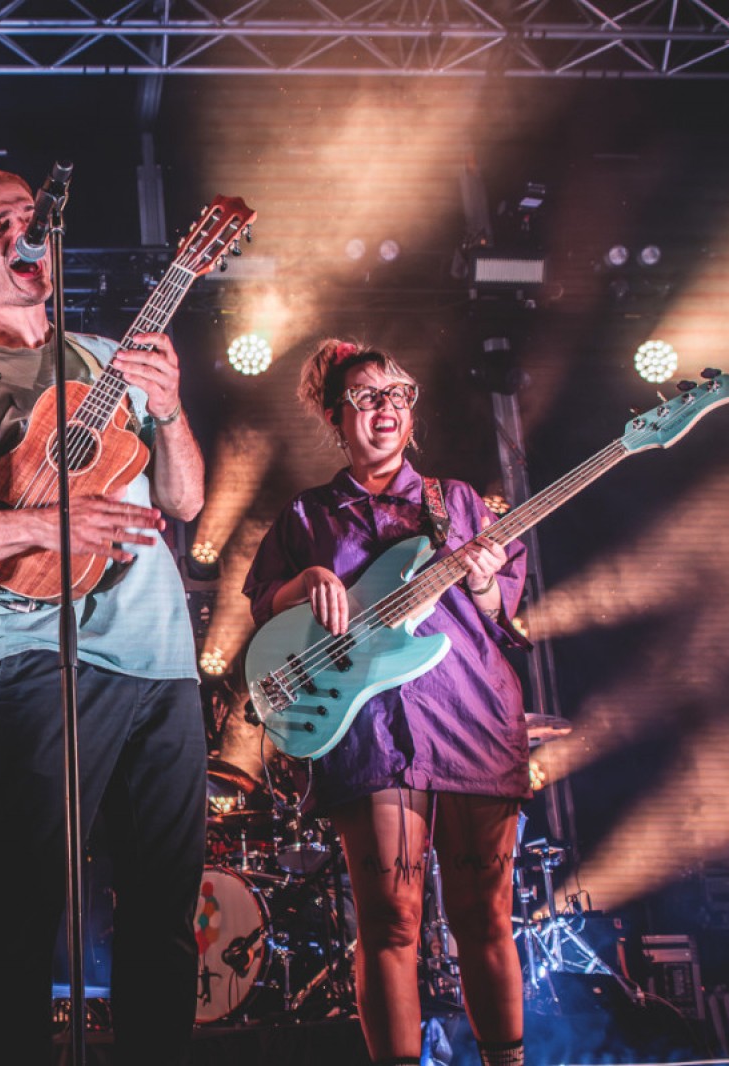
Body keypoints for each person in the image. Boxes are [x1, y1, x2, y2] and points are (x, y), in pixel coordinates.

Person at [0, 169, 207, 1064]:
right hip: (32, 658)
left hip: (162, 658)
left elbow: (185, 499)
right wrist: (43, 522)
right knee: (28, 901)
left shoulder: (111, 356)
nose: (26, 236)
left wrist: (169, 415)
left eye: (35, 222)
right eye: (1, 226)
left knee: (166, 908)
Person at [241, 339, 531, 1066]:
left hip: (470, 714)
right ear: (337, 417)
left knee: (484, 918)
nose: (387, 410)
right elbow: (260, 603)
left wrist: (485, 581)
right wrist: (304, 582)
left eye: (399, 395)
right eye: (369, 397)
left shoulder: (459, 502)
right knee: (390, 921)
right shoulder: (308, 516)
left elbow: (504, 612)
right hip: (370, 728)